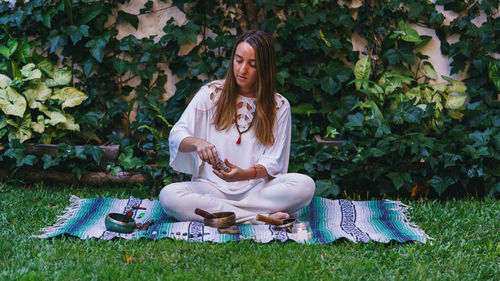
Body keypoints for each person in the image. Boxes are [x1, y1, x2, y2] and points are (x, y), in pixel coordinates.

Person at [159, 30, 315, 224]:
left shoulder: (279, 105)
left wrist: (245, 174)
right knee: (169, 196)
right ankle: (255, 218)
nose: (242, 70)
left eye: (252, 65)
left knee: (305, 185)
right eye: (239, 60)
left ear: (265, 68)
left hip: (256, 191)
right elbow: (177, 135)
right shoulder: (210, 93)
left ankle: (230, 214)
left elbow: (273, 161)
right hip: (211, 188)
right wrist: (198, 143)